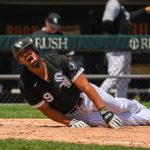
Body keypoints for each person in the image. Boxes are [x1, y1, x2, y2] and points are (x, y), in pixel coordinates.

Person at [12, 38, 150, 128]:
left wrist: (104, 110)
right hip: (74, 114)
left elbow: (85, 86)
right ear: (20, 61)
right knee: (122, 121)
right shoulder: (25, 84)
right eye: (21, 55)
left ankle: (137, 106)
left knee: (119, 106)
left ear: (34, 50)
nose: (26, 55)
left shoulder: (57, 60)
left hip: (87, 97)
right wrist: (69, 122)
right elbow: (46, 109)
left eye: (27, 50)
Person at [100, 0, 150, 98]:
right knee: (114, 77)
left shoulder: (121, 7)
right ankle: (93, 100)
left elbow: (129, 17)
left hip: (124, 48)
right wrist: (116, 40)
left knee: (124, 79)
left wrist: (145, 10)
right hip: (116, 48)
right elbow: (106, 21)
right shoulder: (113, 3)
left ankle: (120, 105)